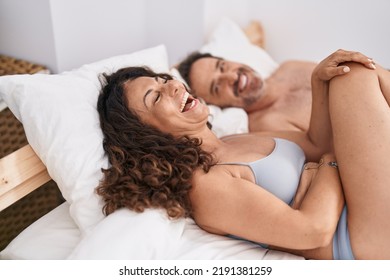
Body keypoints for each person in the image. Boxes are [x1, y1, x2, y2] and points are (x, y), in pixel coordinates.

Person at [96, 49, 390, 260]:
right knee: (353, 78)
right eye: (156, 97)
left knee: (347, 69)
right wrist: (329, 164)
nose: (173, 85)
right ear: (146, 135)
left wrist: (317, 83)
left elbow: (315, 143)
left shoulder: (233, 139)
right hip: (359, 237)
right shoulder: (205, 183)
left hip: (358, 202)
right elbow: (313, 231)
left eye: (162, 81)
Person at [177, 52, 317, 132]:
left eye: (222, 66)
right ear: (218, 106)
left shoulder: (290, 67)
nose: (232, 77)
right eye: (217, 88)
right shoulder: (268, 126)